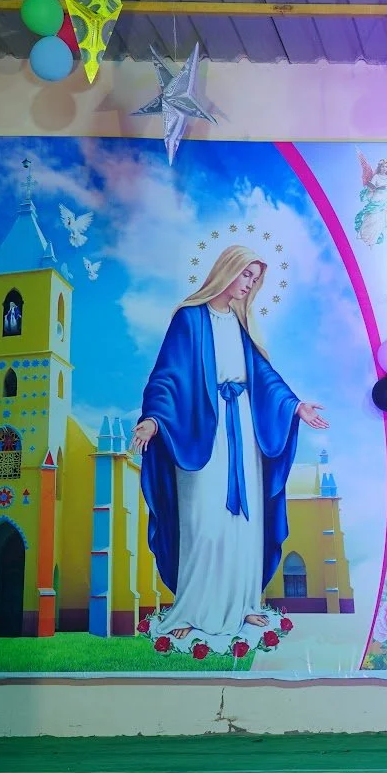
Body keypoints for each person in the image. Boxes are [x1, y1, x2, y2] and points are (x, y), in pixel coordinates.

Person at [131, 245, 328, 654]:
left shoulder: (241, 324)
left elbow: (264, 377)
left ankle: (243, 606)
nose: (249, 284)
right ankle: (191, 611)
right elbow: (167, 375)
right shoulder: (190, 319)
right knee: (203, 522)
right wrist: (153, 419)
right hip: (201, 431)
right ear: (227, 271)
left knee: (243, 523)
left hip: (244, 430)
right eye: (246, 275)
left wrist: (295, 406)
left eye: (255, 278)